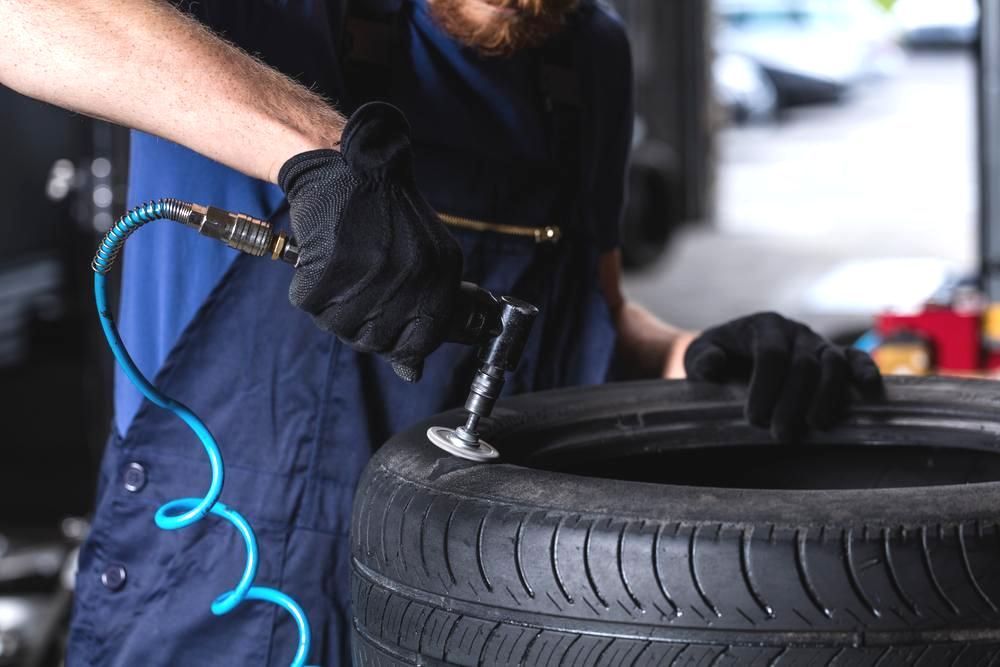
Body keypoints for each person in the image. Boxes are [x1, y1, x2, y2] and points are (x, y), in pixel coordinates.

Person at [0, 1, 882, 664]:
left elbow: (589, 325)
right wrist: (319, 154)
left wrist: (699, 362)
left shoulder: (588, 60)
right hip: (211, 600)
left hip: (482, 604)